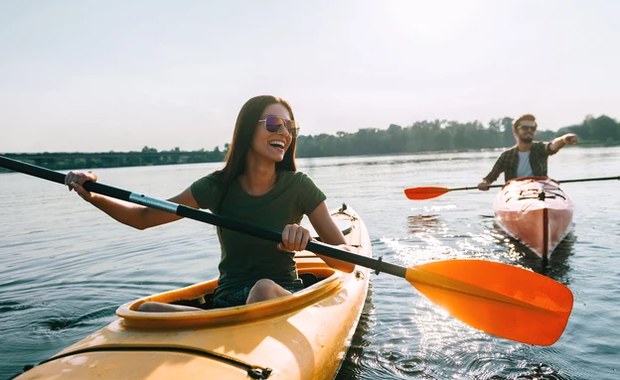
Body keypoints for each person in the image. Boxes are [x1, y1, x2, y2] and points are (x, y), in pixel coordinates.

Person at [64, 95, 354, 312]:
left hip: (279, 295)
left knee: (262, 289)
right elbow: (143, 217)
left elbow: (347, 262)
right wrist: (92, 194)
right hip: (226, 302)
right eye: (274, 123)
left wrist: (307, 242)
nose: (284, 133)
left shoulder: (299, 186)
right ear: (246, 130)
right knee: (145, 309)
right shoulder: (216, 186)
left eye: (291, 127)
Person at [477, 114, 578, 190]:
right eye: (525, 128)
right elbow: (490, 178)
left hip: (540, 189)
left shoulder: (540, 148)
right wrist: (485, 183)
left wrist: (564, 139)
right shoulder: (506, 156)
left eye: (532, 128)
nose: (529, 130)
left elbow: (553, 146)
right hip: (515, 192)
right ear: (516, 131)